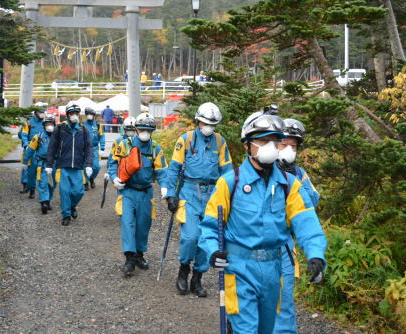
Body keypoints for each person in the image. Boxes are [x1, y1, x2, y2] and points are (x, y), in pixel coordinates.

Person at [199, 113, 327, 333]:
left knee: (270, 328)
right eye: (263, 140)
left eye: (274, 141)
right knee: (246, 329)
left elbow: (305, 220)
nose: (270, 146)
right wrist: (213, 251)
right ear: (247, 145)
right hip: (239, 268)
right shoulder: (230, 182)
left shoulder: (289, 184)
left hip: (273, 269)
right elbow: (210, 225)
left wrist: (315, 254)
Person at [166, 102, 233, 297]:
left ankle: (197, 277)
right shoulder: (186, 140)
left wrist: (231, 196)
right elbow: (174, 168)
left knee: (207, 237)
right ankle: (183, 269)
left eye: (212, 123)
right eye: (205, 122)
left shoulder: (220, 142)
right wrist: (171, 193)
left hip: (213, 193)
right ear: (197, 121)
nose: (208, 126)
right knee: (190, 236)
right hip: (189, 191)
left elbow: (227, 172)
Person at [273, 118, 320, 334]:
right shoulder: (261, 168)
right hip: (254, 246)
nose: (289, 150)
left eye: (293, 146)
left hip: (285, 245)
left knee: (284, 304)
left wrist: (296, 182)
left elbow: (314, 202)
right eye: (284, 145)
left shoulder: (300, 173)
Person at [107, 113, 168, 277]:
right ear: (136, 129)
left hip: (146, 192)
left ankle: (139, 254)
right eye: (142, 129)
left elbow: (162, 171)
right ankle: (129, 258)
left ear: (152, 131)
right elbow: (112, 165)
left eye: (148, 130)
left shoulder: (156, 149)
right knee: (127, 223)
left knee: (143, 225)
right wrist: (114, 178)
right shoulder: (124, 145)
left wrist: (165, 187)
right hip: (127, 190)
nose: (145, 132)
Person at [46, 102, 93, 226]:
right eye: (72, 113)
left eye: (76, 113)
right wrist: (49, 165)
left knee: (79, 192)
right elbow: (52, 147)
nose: (74, 116)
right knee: (65, 192)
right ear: (67, 115)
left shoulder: (84, 130)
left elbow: (88, 147)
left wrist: (88, 164)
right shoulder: (60, 128)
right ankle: (66, 214)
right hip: (63, 166)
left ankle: (72, 207)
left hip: (78, 167)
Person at [23, 115, 57, 214]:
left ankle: (48, 200)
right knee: (42, 183)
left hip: (54, 164)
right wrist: (25, 162)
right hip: (42, 163)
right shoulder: (38, 137)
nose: (49, 126)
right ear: (44, 125)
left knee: (52, 184)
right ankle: (44, 203)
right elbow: (30, 150)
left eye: (51, 124)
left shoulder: (59, 138)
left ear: (54, 125)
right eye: (47, 124)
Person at [21, 107, 46, 199]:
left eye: (43, 112)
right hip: (30, 148)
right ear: (35, 112)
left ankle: (41, 190)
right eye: (40, 112)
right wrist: (26, 145)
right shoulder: (29, 122)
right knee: (27, 169)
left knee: (41, 170)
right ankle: (26, 186)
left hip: (41, 150)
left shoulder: (46, 123)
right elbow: (24, 134)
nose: (42, 114)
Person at [104, 117, 137, 185]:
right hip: (121, 171)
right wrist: (108, 172)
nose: (130, 131)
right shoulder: (118, 141)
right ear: (124, 129)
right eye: (128, 129)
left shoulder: (139, 141)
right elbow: (111, 158)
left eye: (133, 129)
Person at [83, 107, 105, 190]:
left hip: (95, 148)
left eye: (91, 114)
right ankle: (85, 182)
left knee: (96, 167)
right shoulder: (82, 125)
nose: (89, 116)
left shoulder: (98, 125)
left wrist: (102, 148)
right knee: (85, 166)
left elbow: (102, 136)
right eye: (88, 114)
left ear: (94, 115)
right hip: (84, 149)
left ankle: (91, 178)